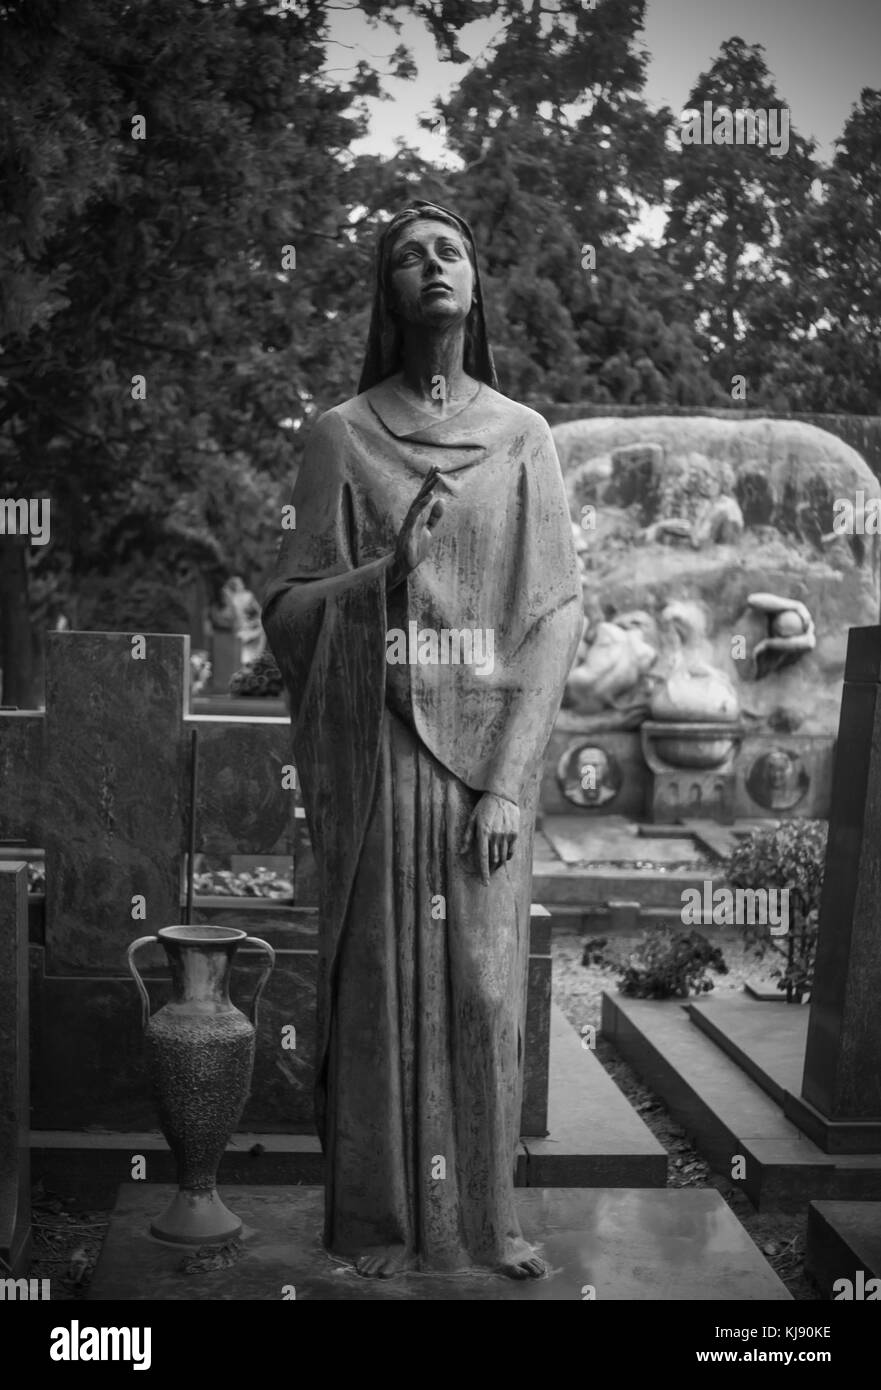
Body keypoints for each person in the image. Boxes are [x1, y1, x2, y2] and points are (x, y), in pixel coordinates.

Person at [262, 200, 582, 1280]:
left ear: (475, 284)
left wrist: (509, 781)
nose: (432, 265)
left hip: (484, 769)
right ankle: (380, 1225)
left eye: (449, 251)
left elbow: (553, 617)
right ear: (386, 293)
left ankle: (487, 1221)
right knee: (379, 991)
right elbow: (287, 612)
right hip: (381, 758)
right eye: (408, 255)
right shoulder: (340, 435)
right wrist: (377, 580)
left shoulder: (524, 438)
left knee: (484, 994)